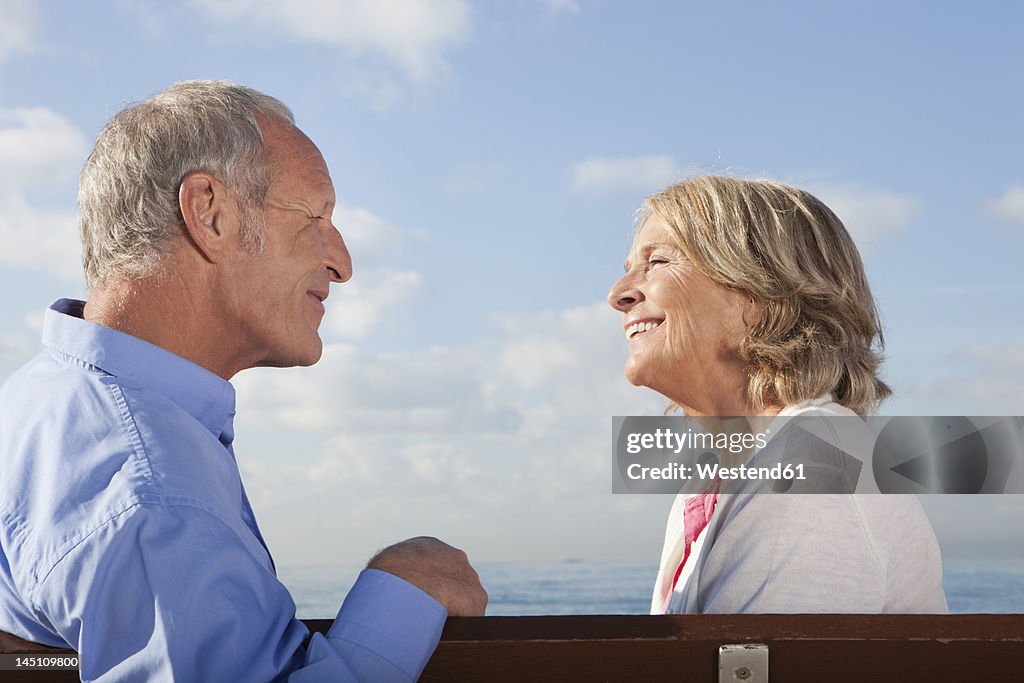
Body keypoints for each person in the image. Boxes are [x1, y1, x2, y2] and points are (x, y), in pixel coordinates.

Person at [0, 80, 487, 681]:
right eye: (315, 217)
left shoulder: (43, 403)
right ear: (210, 214)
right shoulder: (151, 490)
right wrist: (411, 586)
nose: (343, 262)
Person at [607, 175, 948, 615]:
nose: (618, 294)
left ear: (759, 295)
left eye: (656, 262)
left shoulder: (811, 470)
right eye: (628, 267)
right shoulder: (732, 475)